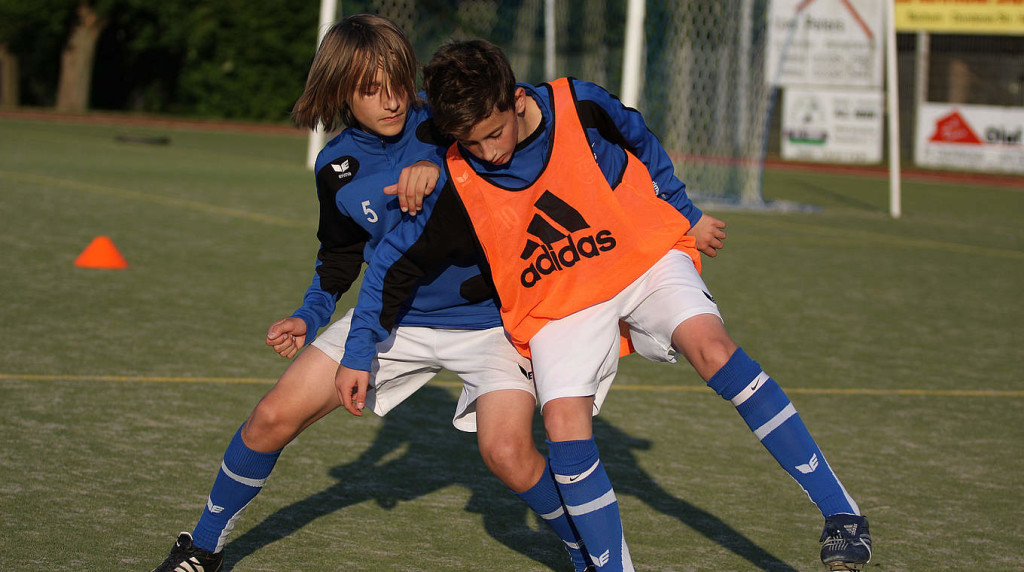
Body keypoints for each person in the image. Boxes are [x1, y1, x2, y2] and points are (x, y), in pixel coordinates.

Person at [336, 39, 872, 572]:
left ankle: (841, 515)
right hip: (557, 298)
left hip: (638, 253)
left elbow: (639, 136)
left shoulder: (577, 103)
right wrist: (359, 352)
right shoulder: (455, 174)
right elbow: (390, 262)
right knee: (564, 426)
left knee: (711, 348)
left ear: (517, 100)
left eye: (495, 134)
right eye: (470, 143)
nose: (489, 153)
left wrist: (685, 213)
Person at [152, 17, 594, 572]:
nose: (390, 101)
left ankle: (587, 552)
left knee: (507, 453)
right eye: (368, 89)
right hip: (391, 317)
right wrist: (308, 316)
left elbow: (517, 154)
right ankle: (204, 547)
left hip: (492, 322)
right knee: (270, 417)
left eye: (397, 82)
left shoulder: (449, 122)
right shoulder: (334, 165)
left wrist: (442, 170)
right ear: (340, 91)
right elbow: (340, 258)